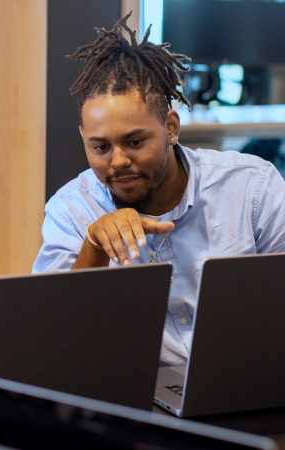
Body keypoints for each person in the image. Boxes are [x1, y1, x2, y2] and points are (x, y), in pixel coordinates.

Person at [33, 13, 285, 366]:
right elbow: (52, 335)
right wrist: (94, 247)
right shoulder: (71, 211)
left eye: (135, 141)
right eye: (100, 147)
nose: (117, 161)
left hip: (249, 381)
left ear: (170, 127)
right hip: (135, 400)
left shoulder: (252, 189)